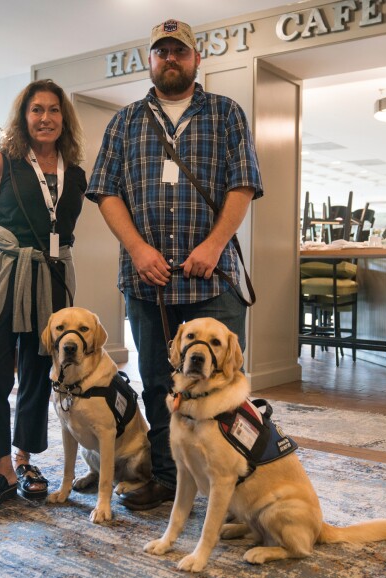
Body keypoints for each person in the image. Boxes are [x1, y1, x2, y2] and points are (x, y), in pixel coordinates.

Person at [85, 19, 263, 511]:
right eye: (161, 52)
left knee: (226, 387)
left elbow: (243, 185)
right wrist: (139, 250)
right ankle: (167, 476)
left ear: (196, 59)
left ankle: (241, 485)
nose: (170, 59)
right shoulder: (123, 122)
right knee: (162, 383)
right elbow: (105, 192)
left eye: (179, 52)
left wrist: (212, 245)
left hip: (213, 279)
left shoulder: (226, 114)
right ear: (150, 60)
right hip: (149, 284)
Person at [0, 79, 87, 513]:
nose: (45, 118)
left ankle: (26, 460)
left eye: (54, 110)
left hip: (52, 275)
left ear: (64, 119)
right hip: (2, 276)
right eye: (37, 110)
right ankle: (2, 469)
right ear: (24, 117)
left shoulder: (75, 173)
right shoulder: (0, 163)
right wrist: (2, 269)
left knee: (41, 371)